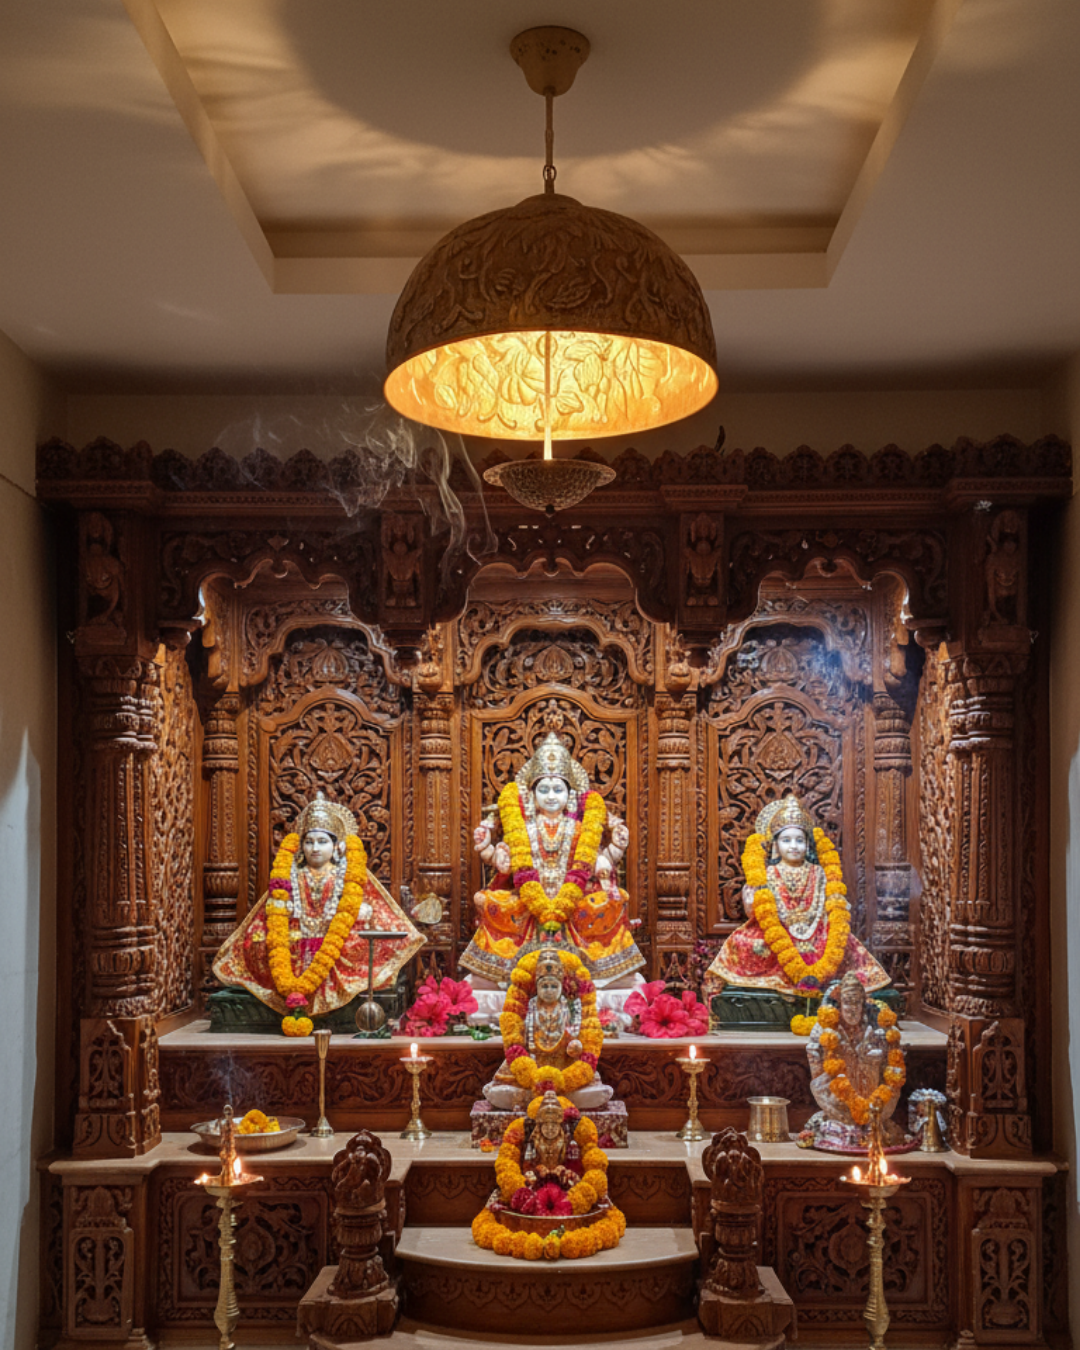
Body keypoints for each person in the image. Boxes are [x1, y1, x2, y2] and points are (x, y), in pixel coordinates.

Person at [213, 791, 423, 1025]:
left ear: (337, 847)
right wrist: (283, 907)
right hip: (295, 940)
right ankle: (290, 989)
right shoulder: (290, 875)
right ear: (300, 847)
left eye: (322, 842)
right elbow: (271, 913)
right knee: (259, 941)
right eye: (309, 842)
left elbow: (380, 914)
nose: (315, 848)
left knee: (364, 941)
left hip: (337, 945)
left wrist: (363, 911)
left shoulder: (348, 875)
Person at [461, 732, 644, 986]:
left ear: (570, 795)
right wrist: (486, 849)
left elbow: (597, 862)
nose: (550, 795)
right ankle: (501, 973)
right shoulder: (522, 829)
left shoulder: (580, 829)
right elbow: (503, 863)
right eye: (543, 789)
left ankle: (603, 973)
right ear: (532, 795)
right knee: (496, 904)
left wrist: (615, 847)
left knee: (607, 905)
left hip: (574, 900)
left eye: (558, 789)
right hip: (528, 902)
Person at [707, 794, 889, 996]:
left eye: (799, 840)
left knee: (843, 944)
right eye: (786, 840)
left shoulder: (818, 872)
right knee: (745, 944)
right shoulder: (766, 874)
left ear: (808, 845)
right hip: (777, 933)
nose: (793, 846)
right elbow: (754, 912)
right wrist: (753, 897)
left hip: (815, 932)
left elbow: (828, 903)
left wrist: (838, 906)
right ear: (776, 845)